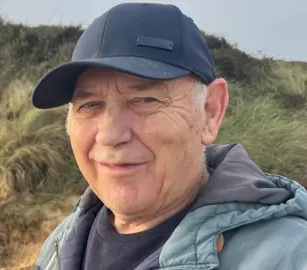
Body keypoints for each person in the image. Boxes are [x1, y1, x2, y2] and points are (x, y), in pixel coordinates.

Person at [30, 3, 307, 270]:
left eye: (145, 99)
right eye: (89, 105)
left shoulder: (288, 256)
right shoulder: (62, 243)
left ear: (211, 111)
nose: (111, 135)